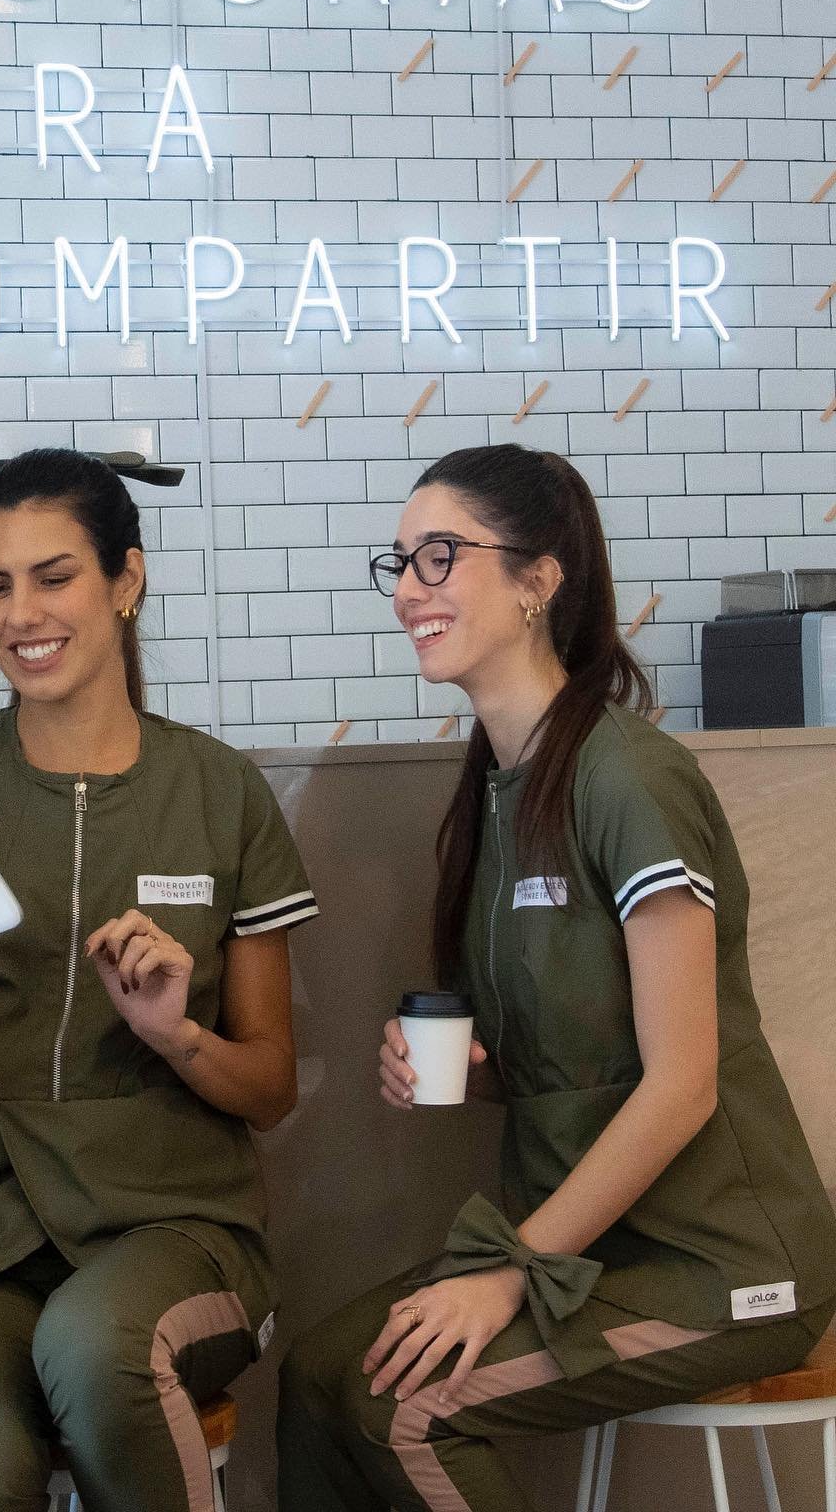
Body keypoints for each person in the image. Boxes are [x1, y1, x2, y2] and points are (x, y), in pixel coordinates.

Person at [277, 443, 836, 1511]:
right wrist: (471, 1071)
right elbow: (577, 1057)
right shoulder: (497, 791)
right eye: (397, 564)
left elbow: (682, 1086)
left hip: (720, 1264)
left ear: (539, 578)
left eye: (438, 557)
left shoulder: (629, 777)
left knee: (399, 1406)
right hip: (591, 1248)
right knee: (316, 1374)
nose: (407, 591)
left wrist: (511, 1269)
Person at [0, 447, 319, 1512]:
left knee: (95, 1348)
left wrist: (176, 1036)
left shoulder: (222, 793)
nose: (21, 613)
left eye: (53, 576)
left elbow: (272, 1086)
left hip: (172, 1226)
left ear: (125, 582)